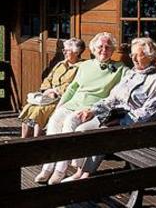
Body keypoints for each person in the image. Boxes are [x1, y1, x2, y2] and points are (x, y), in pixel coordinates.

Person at [62, 37, 156, 182]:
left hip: (138, 127)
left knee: (99, 134)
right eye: (132, 54)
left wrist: (121, 121)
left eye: (138, 55)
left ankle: (86, 176)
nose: (133, 58)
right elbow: (112, 98)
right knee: (81, 129)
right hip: (114, 117)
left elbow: (150, 112)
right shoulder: (131, 74)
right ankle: (79, 171)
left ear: (150, 56)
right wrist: (93, 110)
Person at [35, 32, 128, 185]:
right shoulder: (85, 65)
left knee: (69, 123)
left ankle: (60, 170)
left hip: (90, 107)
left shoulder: (119, 68)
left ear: (113, 50)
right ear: (93, 49)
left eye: (108, 47)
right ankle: (47, 167)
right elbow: (72, 88)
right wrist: (60, 106)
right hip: (72, 103)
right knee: (54, 121)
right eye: (100, 47)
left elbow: (132, 79)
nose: (103, 50)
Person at [18, 38, 86, 138]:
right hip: (48, 96)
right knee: (30, 108)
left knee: (38, 111)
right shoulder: (61, 64)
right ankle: (23, 139)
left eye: (67, 50)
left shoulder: (81, 67)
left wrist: (55, 91)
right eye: (64, 50)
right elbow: (48, 79)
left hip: (61, 99)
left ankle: (38, 139)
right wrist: (46, 90)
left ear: (76, 52)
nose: (64, 53)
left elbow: (74, 85)